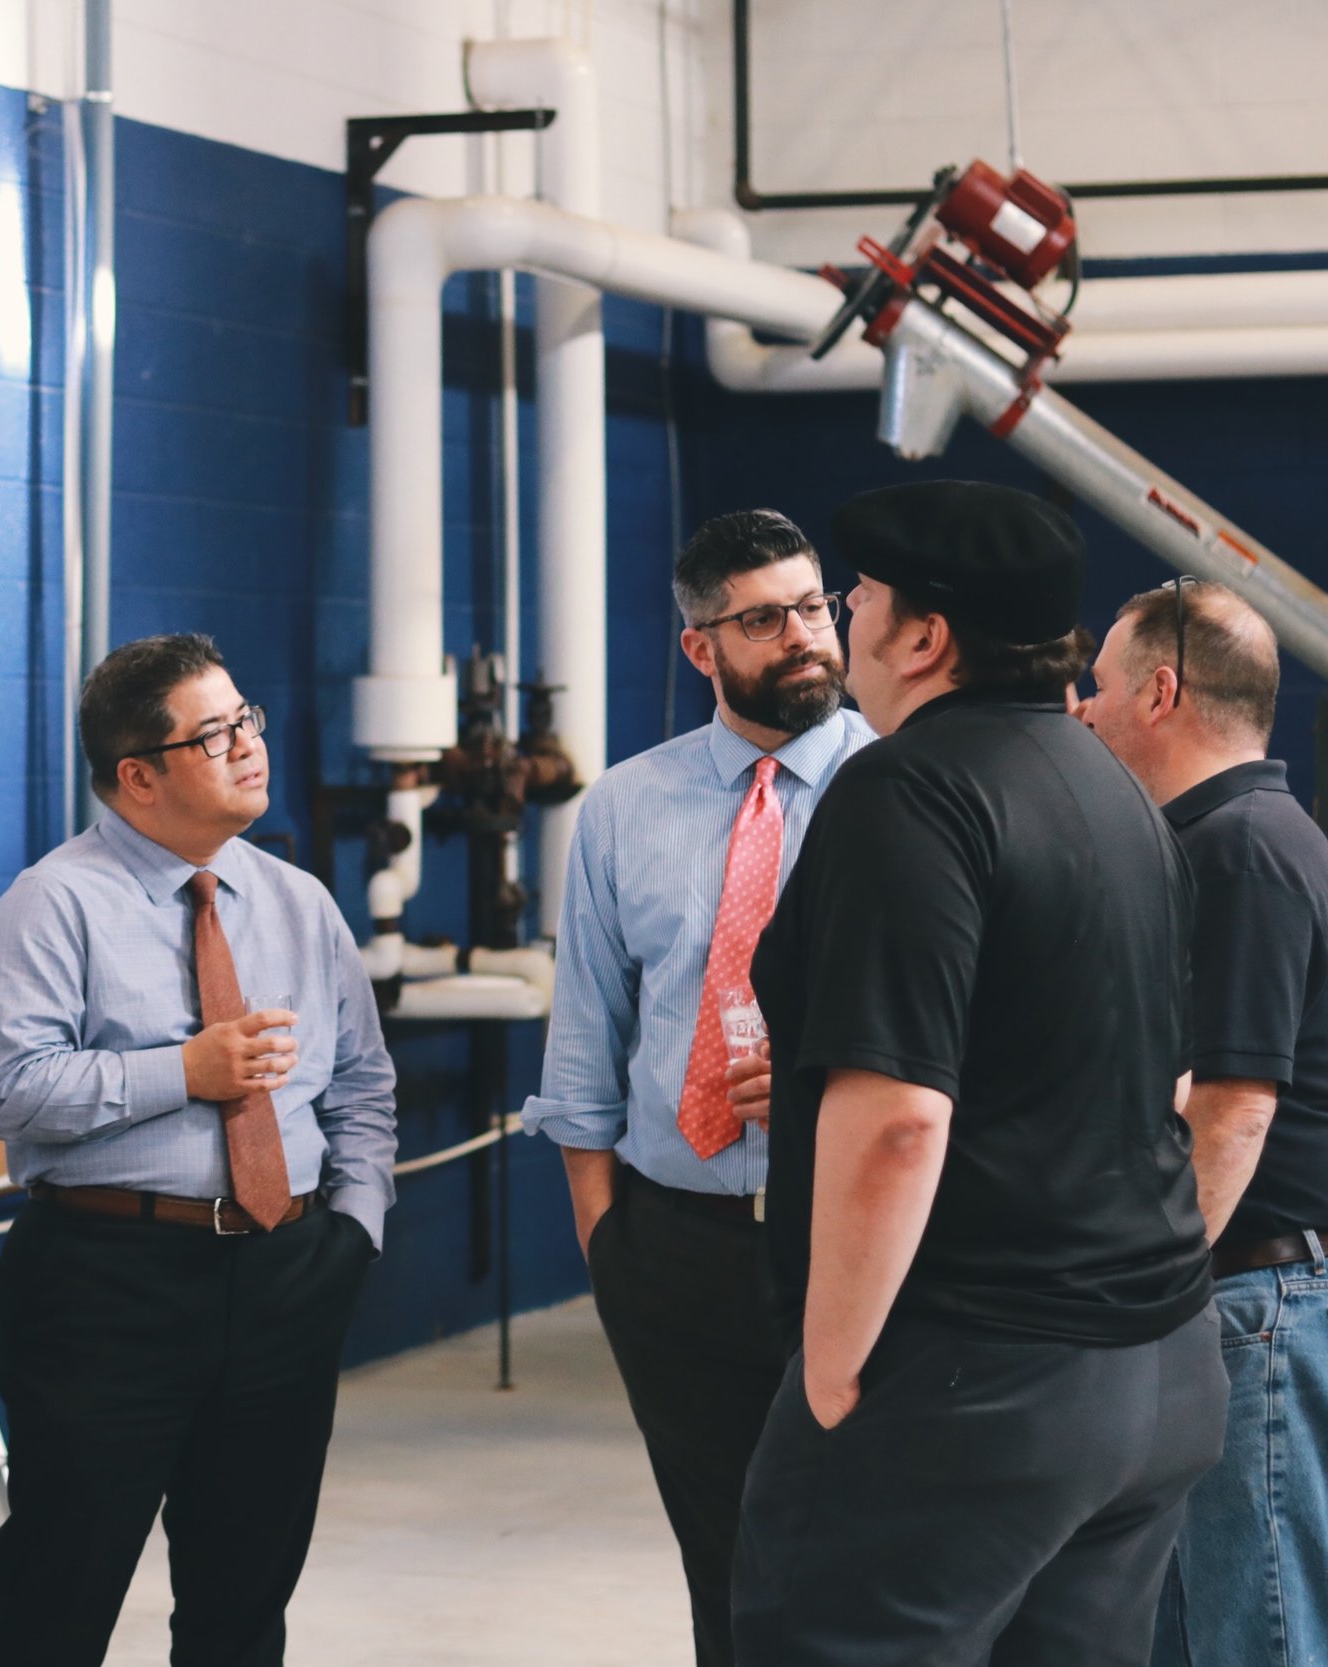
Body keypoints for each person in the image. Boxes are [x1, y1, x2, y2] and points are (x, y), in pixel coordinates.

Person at [733, 480, 1224, 1666]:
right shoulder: (1118, 791)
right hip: (1157, 1365)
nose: (844, 618)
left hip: (980, 1374)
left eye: (858, 597)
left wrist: (834, 1366)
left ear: (922, 635)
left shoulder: (907, 791)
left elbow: (899, 1115)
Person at [0, 632, 396, 1667]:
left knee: (242, 1605)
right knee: (56, 1598)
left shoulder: (297, 902)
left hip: (285, 1272)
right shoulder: (52, 903)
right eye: (216, 732)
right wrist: (183, 1070)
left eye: (246, 718)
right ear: (138, 776)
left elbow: (364, 1085)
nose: (250, 743)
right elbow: (4, 1089)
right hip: (108, 1284)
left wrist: (353, 1228)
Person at [525, 508, 872, 1667]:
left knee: (860, 1555)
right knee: (719, 1555)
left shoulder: (901, 785)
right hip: (674, 1241)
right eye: (764, 618)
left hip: (855, 1230)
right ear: (700, 647)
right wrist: (606, 1237)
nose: (804, 637)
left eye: (814, 606)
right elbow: (587, 1029)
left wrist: (825, 1076)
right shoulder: (626, 803)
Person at [1081, 580, 1328, 1667]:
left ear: (1160, 692)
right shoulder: (1222, 838)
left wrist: (1141, 1300)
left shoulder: (1242, 848)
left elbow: (1233, 1105)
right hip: (1260, 1296)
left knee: (1259, 1641)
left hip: (1268, 1300)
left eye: (1099, 685)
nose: (1081, 707)